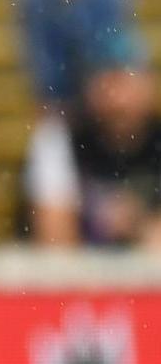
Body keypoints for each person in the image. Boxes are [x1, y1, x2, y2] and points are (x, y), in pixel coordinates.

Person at [24, 30, 161, 246]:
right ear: (89, 88)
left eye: (126, 83)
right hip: (79, 272)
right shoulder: (60, 139)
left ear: (149, 85)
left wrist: (140, 226)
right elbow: (54, 239)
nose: (118, 100)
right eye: (108, 84)